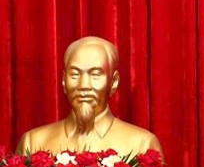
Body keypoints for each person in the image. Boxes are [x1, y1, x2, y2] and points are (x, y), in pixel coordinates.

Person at [17, 36, 162, 157]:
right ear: (63, 81)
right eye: (75, 74)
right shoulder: (33, 143)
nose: (84, 85)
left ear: (114, 82)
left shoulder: (142, 145)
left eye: (95, 74)